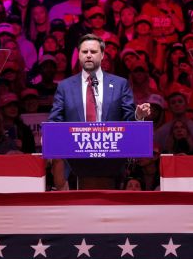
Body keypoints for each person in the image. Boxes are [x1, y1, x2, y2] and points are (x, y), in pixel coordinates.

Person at [48, 33, 151, 188]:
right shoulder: (65, 86)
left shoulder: (120, 84)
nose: (88, 55)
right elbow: (55, 121)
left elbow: (129, 121)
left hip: (112, 164)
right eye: (84, 52)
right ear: (79, 55)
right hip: (76, 165)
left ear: (102, 55)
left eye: (93, 52)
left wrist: (138, 115)